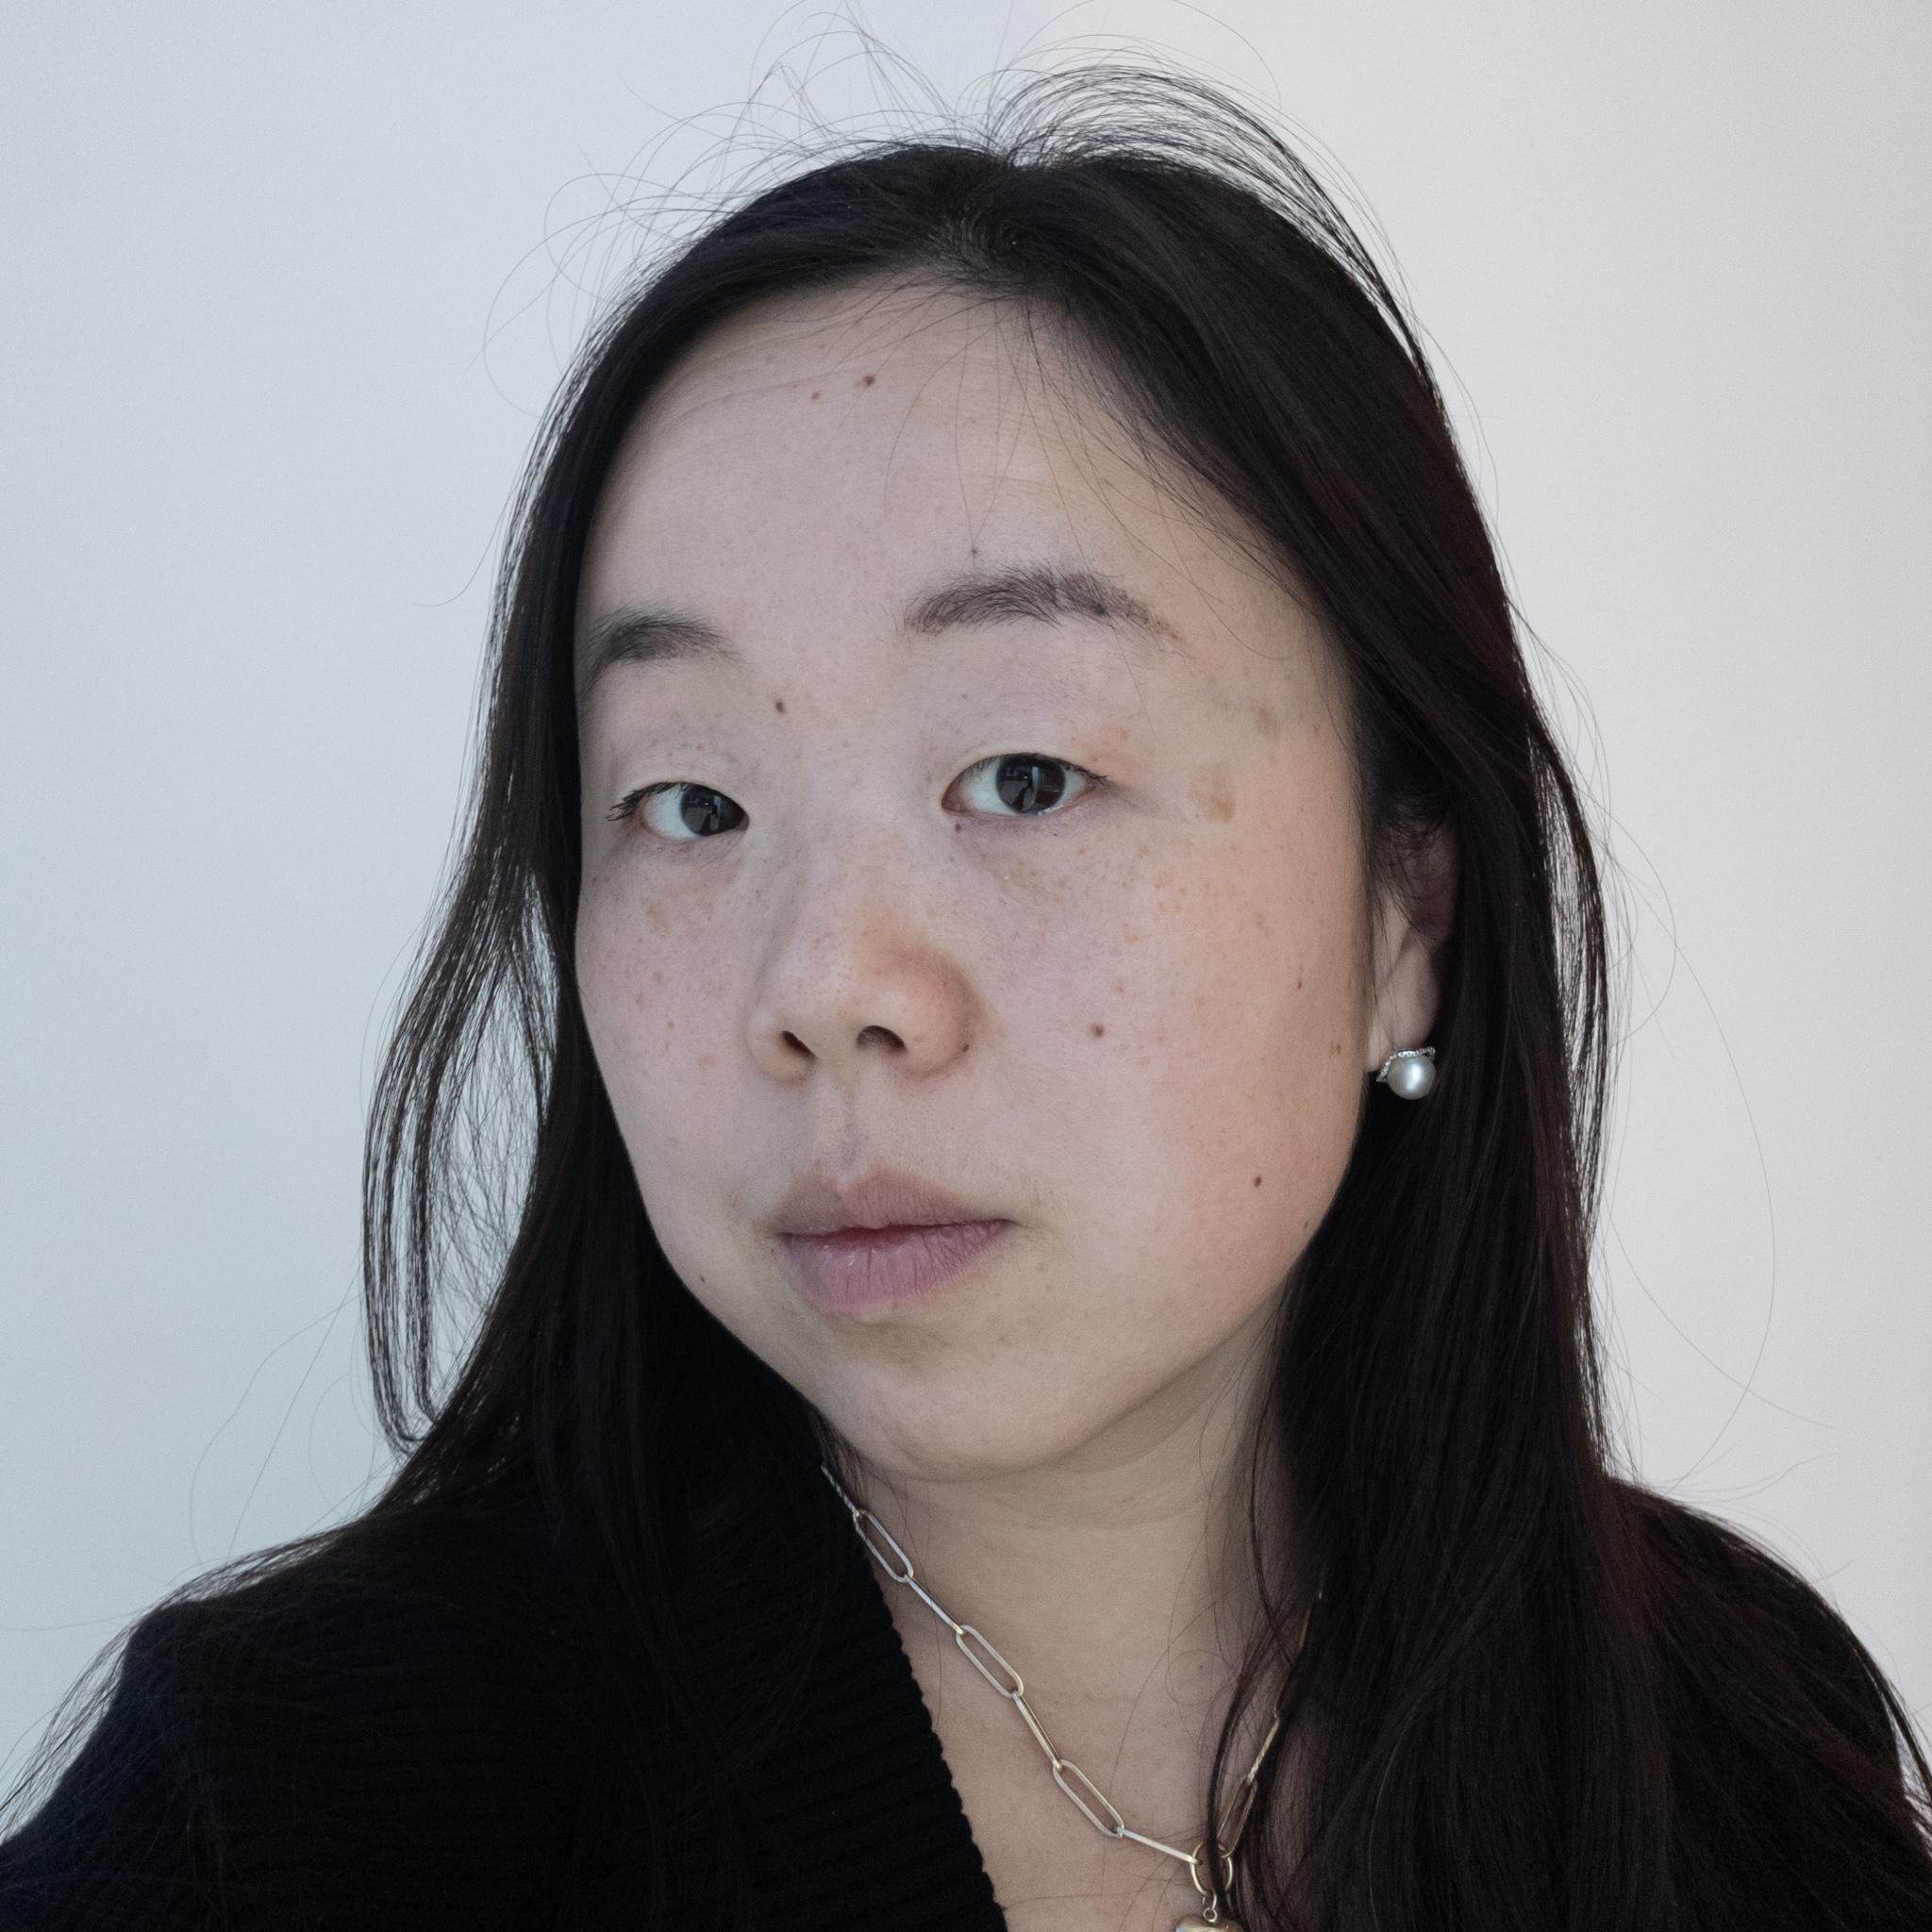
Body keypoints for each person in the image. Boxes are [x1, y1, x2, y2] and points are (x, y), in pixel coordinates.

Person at [2, 61, 1927, 1932]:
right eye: (690, 803)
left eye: (1024, 775)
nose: (827, 986)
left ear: (1406, 917)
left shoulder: (1729, 1743)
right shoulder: (282, 1825)